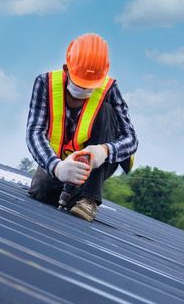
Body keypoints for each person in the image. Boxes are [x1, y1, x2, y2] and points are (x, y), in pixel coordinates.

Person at [25, 33, 138, 221]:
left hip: (98, 164)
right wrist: (57, 167)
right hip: (60, 160)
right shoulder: (45, 84)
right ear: (66, 69)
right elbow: (34, 132)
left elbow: (131, 139)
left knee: (106, 110)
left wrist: (103, 151)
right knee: (41, 192)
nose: (84, 92)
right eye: (79, 85)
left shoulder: (109, 89)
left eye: (90, 87)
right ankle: (71, 192)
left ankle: (89, 199)